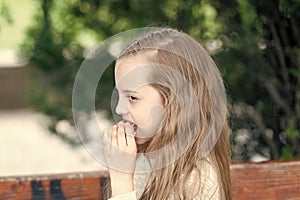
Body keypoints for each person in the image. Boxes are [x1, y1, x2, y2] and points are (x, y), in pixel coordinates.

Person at [102, 28, 231, 199]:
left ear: (174, 102)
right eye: (119, 94)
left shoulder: (199, 180)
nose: (119, 109)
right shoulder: (146, 159)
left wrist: (122, 180)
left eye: (132, 97)